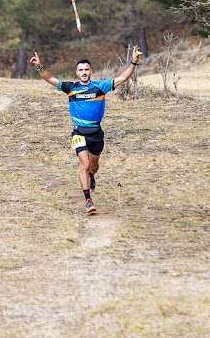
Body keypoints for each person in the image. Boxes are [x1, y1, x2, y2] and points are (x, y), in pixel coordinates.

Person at [30, 47, 142, 215]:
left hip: (96, 134)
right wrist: (39, 66)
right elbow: (50, 78)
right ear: (76, 72)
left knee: (93, 166)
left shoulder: (100, 87)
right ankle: (88, 200)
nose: (84, 72)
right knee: (85, 164)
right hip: (78, 133)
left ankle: (92, 176)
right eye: (81, 70)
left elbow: (123, 78)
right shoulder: (70, 87)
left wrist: (133, 62)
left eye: (86, 69)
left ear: (91, 71)